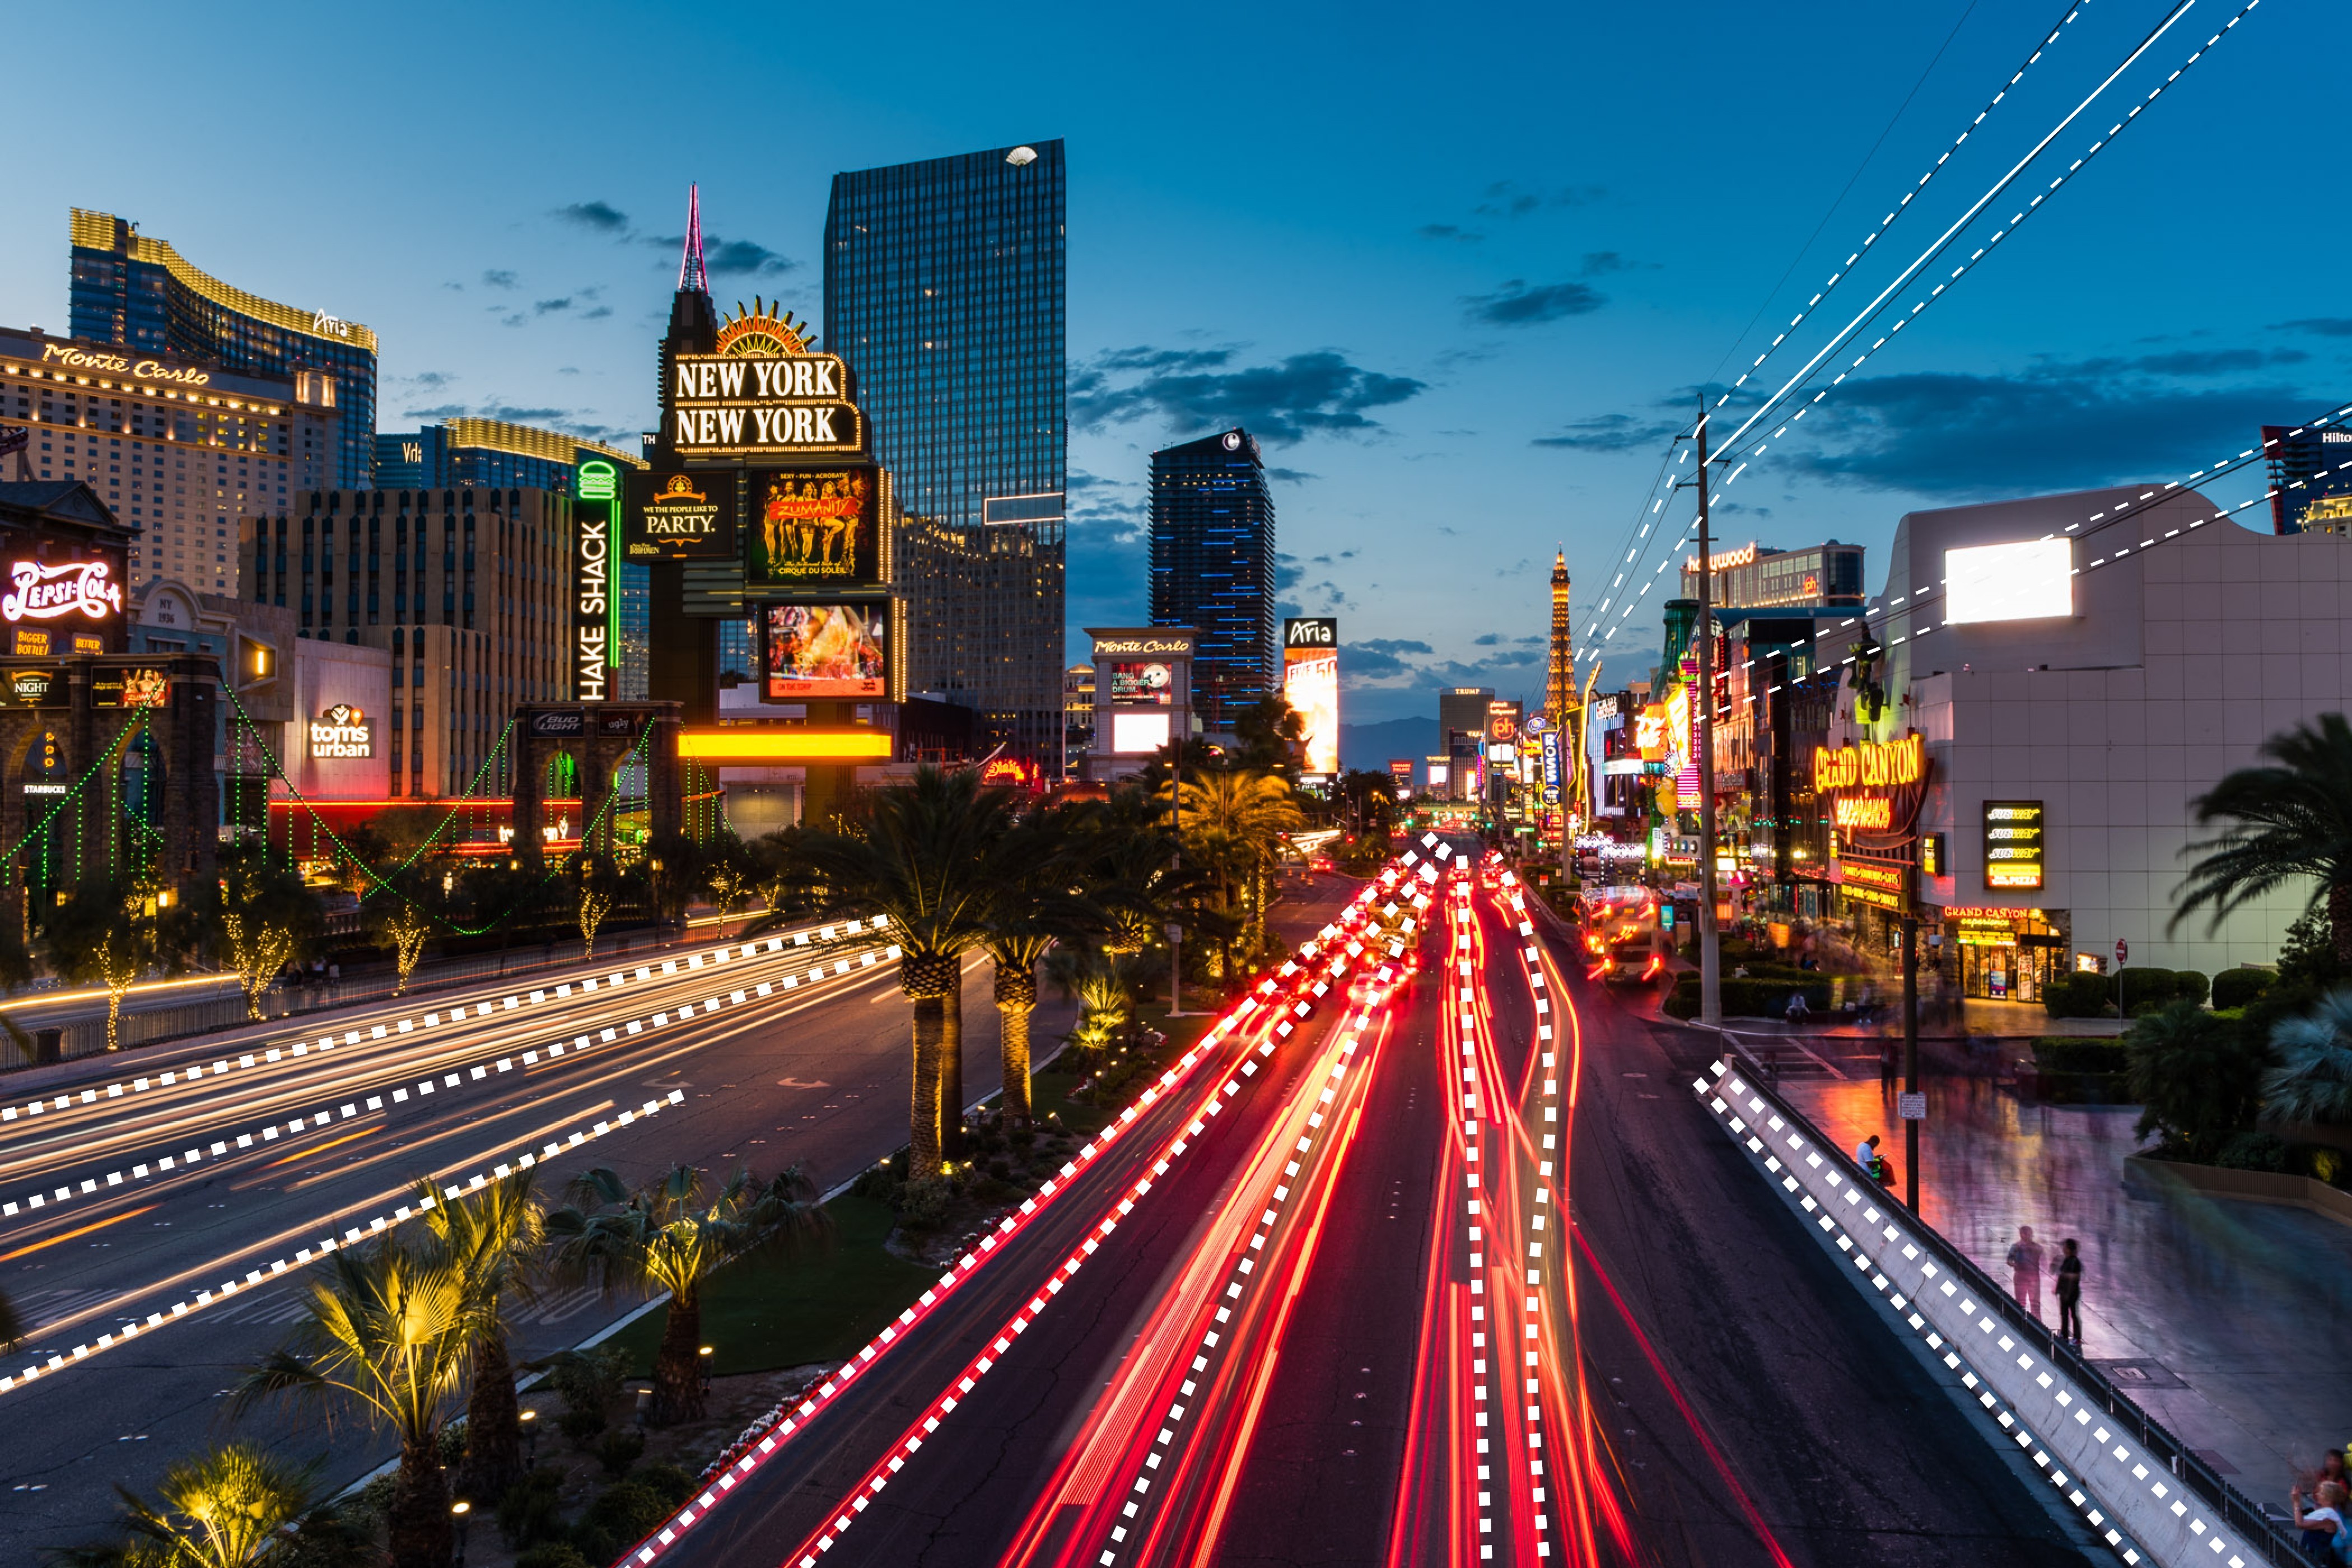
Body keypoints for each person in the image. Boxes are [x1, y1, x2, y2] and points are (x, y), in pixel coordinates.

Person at [2290, 1479, 2349, 1564]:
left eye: (2321, 1493)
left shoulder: (2328, 1515)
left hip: (2317, 1559)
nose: (2317, 1495)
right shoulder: (2322, 1510)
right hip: (2311, 1554)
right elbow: (2300, 1516)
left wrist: (2296, 1502)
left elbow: (2300, 1523)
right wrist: (2296, 1499)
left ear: (2329, 1498)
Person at [2006, 1225, 2047, 1318]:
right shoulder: (2036, 1247)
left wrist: (2014, 1264)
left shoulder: (2017, 1246)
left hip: (2025, 1277)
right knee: (2028, 1303)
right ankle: (2035, 1324)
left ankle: (2022, 1322)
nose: (2027, 1236)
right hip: (2030, 1277)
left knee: (2027, 1303)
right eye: (2025, 1234)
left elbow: (2009, 1260)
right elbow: (2009, 1261)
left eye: (2028, 1234)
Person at [2054, 1238, 2083, 1346]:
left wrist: (2067, 1292)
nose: (2063, 1249)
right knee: (2064, 1314)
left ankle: (2077, 1337)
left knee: (2074, 1314)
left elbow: (2075, 1277)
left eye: (2065, 1247)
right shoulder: (2067, 1260)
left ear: (2070, 1249)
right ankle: (2064, 1334)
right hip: (2064, 1291)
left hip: (2071, 1292)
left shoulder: (2075, 1261)